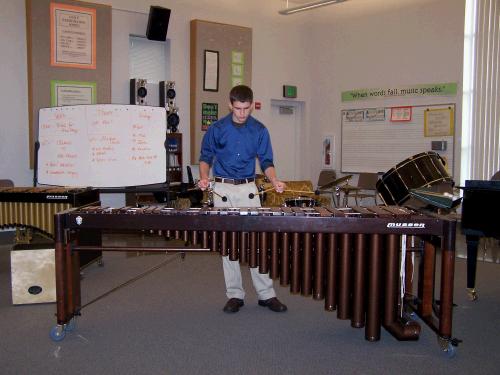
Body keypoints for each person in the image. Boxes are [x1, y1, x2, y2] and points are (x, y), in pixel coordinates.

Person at [198, 85, 288, 314]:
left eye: (246, 109)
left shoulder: (259, 130)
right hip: (223, 189)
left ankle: (266, 294)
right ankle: (235, 294)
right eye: (238, 109)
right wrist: (203, 177)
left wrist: (275, 180)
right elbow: (205, 157)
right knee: (229, 246)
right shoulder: (217, 129)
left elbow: (266, 161)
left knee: (257, 244)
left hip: (248, 188)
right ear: (230, 105)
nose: (242, 113)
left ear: (251, 105)